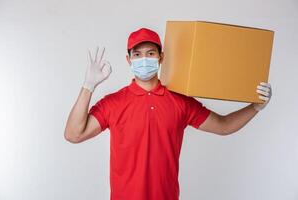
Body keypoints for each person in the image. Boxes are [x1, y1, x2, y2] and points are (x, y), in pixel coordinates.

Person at [64, 28, 272, 200]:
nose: (143, 59)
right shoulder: (113, 103)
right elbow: (74, 134)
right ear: (128, 60)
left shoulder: (180, 102)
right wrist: (88, 85)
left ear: (161, 57)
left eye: (150, 53)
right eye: (137, 54)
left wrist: (255, 107)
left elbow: (224, 126)